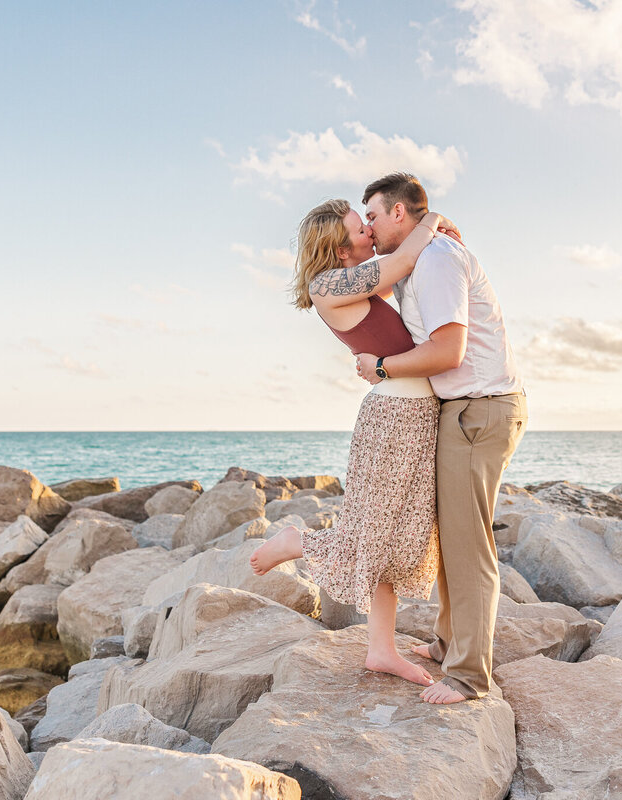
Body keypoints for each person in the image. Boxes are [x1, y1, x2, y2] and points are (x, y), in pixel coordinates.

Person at [250, 197, 459, 688]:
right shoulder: (327, 286)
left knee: (396, 536)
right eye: (359, 230)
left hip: (414, 415)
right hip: (392, 420)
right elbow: (405, 259)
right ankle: (298, 542)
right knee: (373, 533)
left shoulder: (357, 281)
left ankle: (381, 650)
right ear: (341, 252)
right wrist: (432, 218)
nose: (369, 230)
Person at [353, 173, 526, 705]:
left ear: (399, 214)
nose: (368, 227)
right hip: (464, 411)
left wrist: (382, 367)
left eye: (375, 216)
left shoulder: (437, 261)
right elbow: (361, 284)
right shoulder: (418, 260)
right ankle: (451, 643)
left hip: (479, 410)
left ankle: (471, 676)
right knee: (451, 538)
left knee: (468, 546)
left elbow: (449, 350)